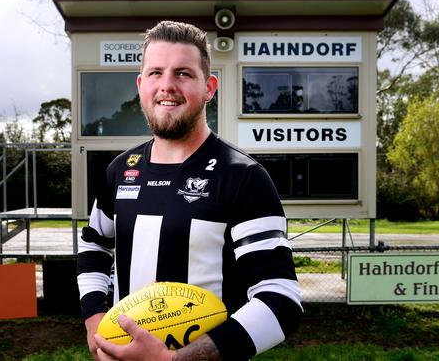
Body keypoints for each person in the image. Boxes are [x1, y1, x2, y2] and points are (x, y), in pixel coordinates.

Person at [77, 20, 302, 361]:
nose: (167, 85)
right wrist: (96, 321)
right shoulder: (121, 171)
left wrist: (176, 360)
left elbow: (280, 298)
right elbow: (94, 246)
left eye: (183, 73)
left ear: (210, 87)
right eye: (155, 73)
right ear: (140, 84)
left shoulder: (243, 176)